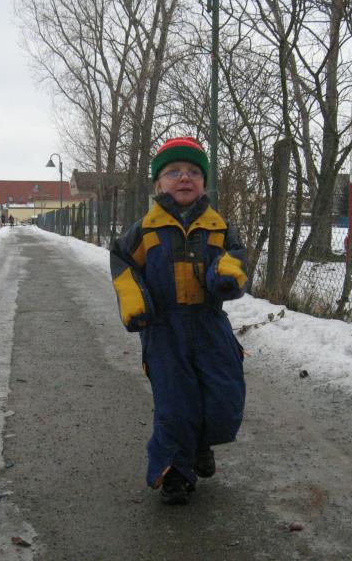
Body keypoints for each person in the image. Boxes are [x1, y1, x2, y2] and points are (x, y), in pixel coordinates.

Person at [110, 136, 248, 505]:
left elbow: (236, 256)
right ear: (158, 184)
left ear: (204, 182)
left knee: (224, 398)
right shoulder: (145, 229)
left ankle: (201, 444)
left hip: (210, 325)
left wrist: (227, 275)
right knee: (174, 403)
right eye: (173, 172)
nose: (184, 178)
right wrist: (135, 303)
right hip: (164, 329)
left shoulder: (219, 227)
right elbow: (123, 264)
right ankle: (174, 471)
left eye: (193, 172)